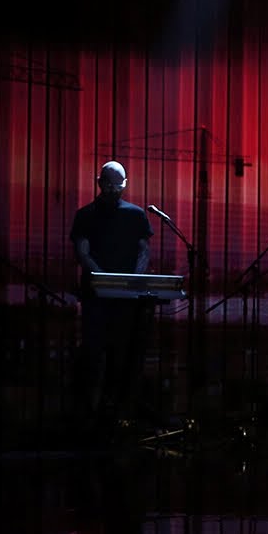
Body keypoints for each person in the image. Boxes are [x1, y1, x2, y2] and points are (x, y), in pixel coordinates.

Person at [69, 161, 154, 435]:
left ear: (125, 185)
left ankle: (117, 417)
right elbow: (82, 252)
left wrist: (132, 282)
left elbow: (144, 250)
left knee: (122, 359)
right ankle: (88, 420)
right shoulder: (85, 215)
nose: (113, 190)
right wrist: (105, 280)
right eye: (108, 185)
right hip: (96, 298)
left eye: (117, 186)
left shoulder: (136, 215)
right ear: (98, 182)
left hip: (125, 301)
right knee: (93, 357)